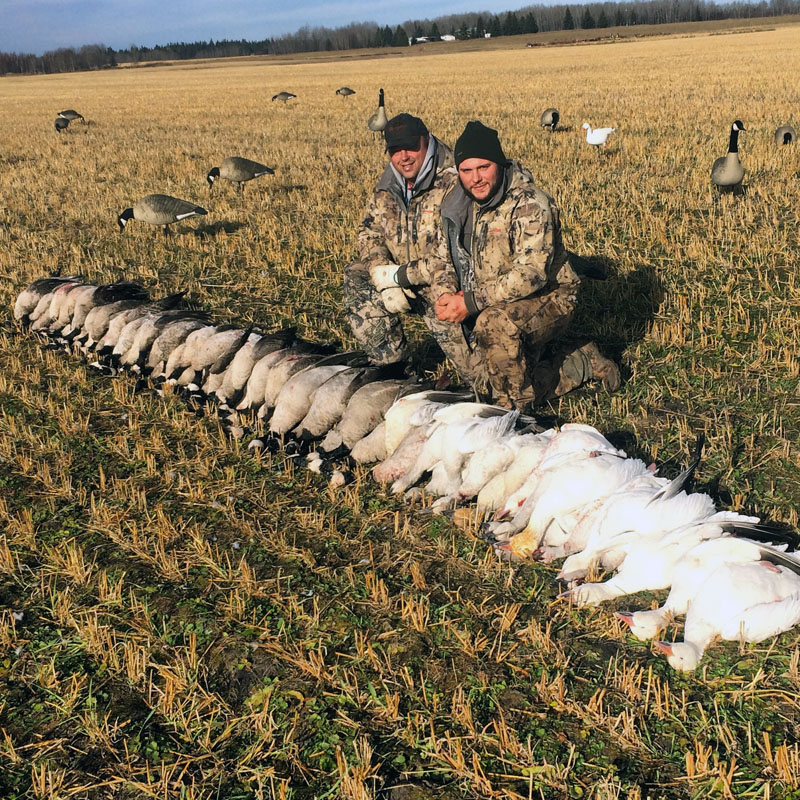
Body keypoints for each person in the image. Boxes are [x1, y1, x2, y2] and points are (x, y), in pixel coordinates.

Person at [429, 120, 620, 410]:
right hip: (494, 297)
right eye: (466, 170)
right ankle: (556, 359)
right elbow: (443, 259)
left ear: (500, 164)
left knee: (495, 331)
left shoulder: (530, 203)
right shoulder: (458, 204)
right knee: (482, 381)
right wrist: (445, 295)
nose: (475, 178)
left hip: (550, 296)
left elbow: (531, 274)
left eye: (484, 167)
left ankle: (516, 408)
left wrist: (469, 301)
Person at [344, 113, 484, 385]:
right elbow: (369, 230)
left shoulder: (455, 180)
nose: (403, 156)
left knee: (483, 379)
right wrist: (381, 274)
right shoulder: (390, 181)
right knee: (358, 274)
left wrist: (398, 276)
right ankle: (391, 366)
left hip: (447, 283)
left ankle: (579, 360)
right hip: (404, 277)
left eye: (411, 147)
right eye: (395, 150)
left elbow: (451, 257)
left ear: (427, 140)